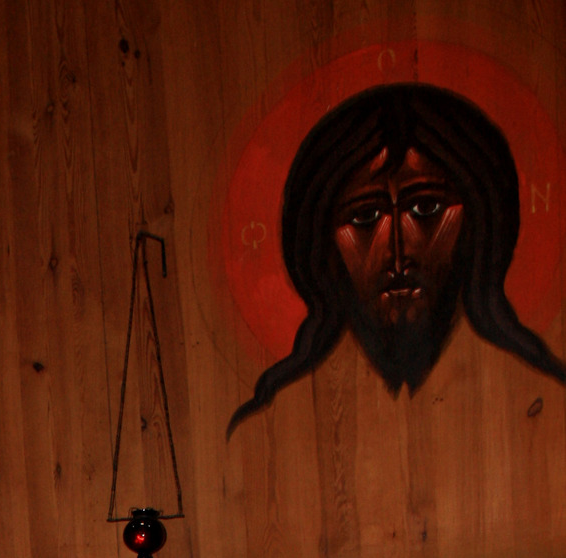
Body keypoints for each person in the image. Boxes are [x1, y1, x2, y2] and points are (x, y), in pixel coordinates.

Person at [227, 82, 566, 435]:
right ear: (321, 241)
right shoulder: (274, 427)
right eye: (364, 217)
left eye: (426, 208)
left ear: (479, 220)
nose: (398, 250)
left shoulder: (546, 405)